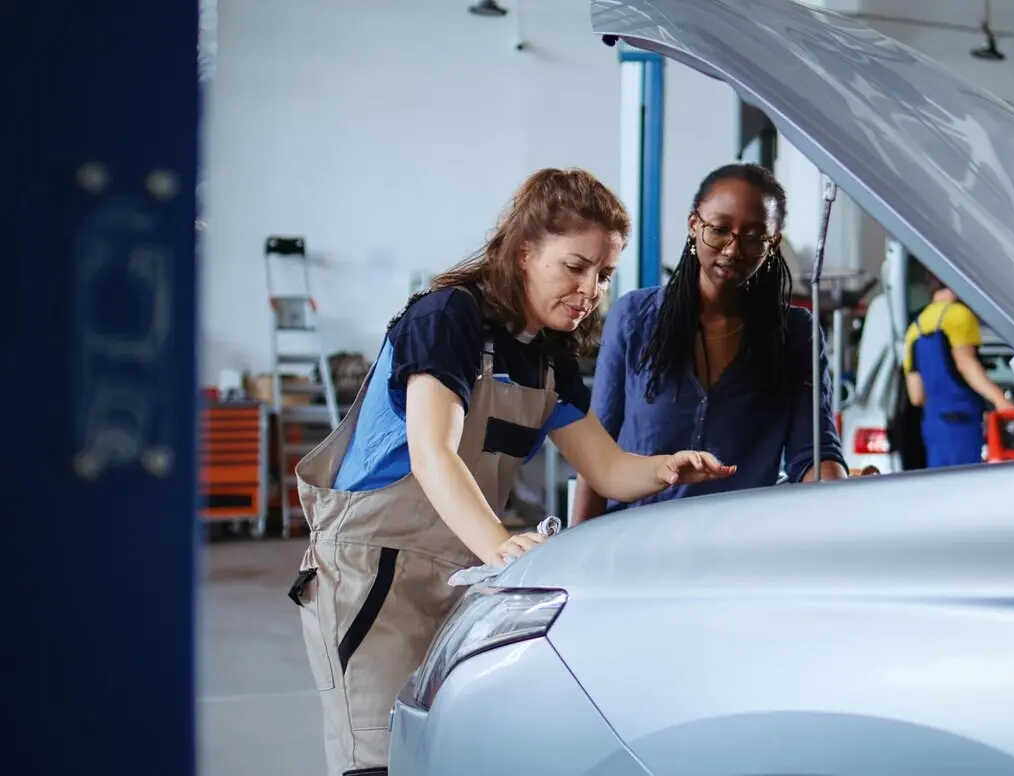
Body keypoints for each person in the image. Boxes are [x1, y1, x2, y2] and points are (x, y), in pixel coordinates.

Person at [288, 168, 735, 776]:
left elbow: (605, 468)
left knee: (448, 755)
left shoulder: (548, 356)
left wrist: (665, 469)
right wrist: (501, 544)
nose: (590, 289)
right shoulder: (448, 318)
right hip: (373, 574)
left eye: (603, 274)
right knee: (379, 758)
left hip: (461, 576)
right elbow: (432, 452)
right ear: (524, 252)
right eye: (575, 267)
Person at [571, 163, 848, 524]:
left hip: (737, 550)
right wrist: (576, 557)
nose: (733, 250)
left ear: (773, 243)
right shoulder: (635, 318)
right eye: (719, 230)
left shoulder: (795, 333)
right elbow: (598, 449)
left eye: (753, 237)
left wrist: (841, 504)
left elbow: (812, 452)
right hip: (633, 547)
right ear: (694, 226)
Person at [902, 276, 1014, 468]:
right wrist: (1000, 400)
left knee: (942, 488)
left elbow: (916, 396)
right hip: (962, 421)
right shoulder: (959, 315)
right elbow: (966, 365)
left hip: (933, 426)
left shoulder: (914, 328)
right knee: (967, 486)